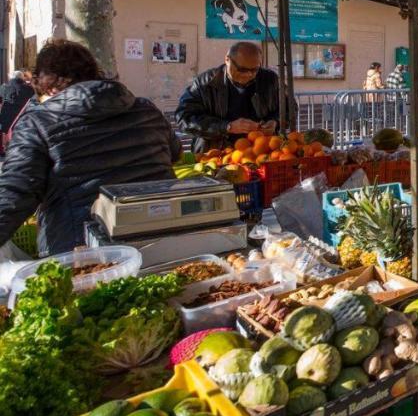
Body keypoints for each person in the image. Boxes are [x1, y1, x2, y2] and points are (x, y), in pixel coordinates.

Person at [0, 40, 180, 255]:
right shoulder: (146, 109)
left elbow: (16, 193)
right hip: (161, 237)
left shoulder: (37, 123)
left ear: (49, 85)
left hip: (83, 253)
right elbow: (175, 153)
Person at [176, 41, 294, 152]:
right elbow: (184, 118)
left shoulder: (270, 79)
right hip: (216, 153)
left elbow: (290, 107)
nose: (249, 74)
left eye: (254, 70)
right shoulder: (205, 83)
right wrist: (226, 127)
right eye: (242, 69)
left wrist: (276, 121)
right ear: (227, 60)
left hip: (262, 152)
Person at [0, 70, 35, 153]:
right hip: (21, 117)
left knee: (4, 131)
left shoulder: (3, 87)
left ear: (11, 77)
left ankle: (4, 148)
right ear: (22, 78)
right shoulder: (29, 89)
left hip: (5, 117)